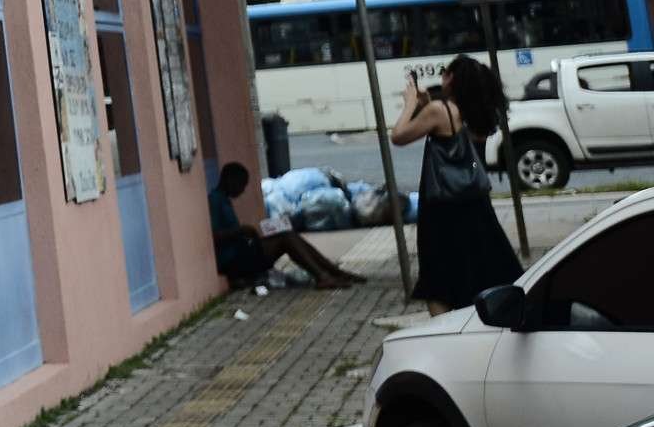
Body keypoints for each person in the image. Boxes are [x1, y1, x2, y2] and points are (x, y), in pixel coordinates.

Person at [392, 56, 523, 314]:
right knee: (481, 268)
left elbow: (399, 136)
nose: (441, 80)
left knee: (438, 278)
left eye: (445, 75)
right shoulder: (480, 113)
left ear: (452, 78)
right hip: (476, 205)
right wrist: (427, 104)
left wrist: (409, 103)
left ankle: (445, 336)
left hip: (443, 206)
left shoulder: (440, 110)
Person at [207, 161, 364, 289]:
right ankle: (323, 276)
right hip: (234, 261)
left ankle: (333, 272)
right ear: (230, 180)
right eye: (241, 185)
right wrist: (242, 231)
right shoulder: (215, 200)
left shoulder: (224, 200)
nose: (242, 190)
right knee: (286, 238)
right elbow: (214, 236)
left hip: (242, 252)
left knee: (289, 233)